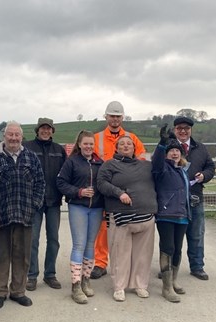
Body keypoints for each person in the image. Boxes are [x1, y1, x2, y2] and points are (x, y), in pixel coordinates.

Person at [0, 121, 45, 309]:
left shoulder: (31, 157)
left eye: (17, 135)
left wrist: (34, 206)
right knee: (1, 256)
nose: (14, 138)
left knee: (22, 256)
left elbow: (40, 184)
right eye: (10, 135)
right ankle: (0, 292)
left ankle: (18, 291)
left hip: (25, 214)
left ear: (22, 137)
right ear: (4, 136)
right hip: (1, 216)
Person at [98, 135, 157, 302]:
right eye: (122, 144)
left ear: (134, 147)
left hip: (146, 216)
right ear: (116, 148)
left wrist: (163, 145)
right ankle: (119, 286)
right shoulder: (109, 165)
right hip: (121, 216)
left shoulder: (146, 165)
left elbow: (161, 167)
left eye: (129, 143)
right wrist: (119, 193)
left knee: (143, 255)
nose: (126, 146)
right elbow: (101, 183)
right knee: (120, 254)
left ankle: (140, 285)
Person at [91, 101, 146, 279]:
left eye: (118, 116)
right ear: (106, 116)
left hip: (128, 191)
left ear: (122, 117)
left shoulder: (132, 137)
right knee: (103, 228)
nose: (115, 119)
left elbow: (142, 160)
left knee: (127, 226)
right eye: (112, 116)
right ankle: (100, 263)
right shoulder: (97, 138)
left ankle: (125, 263)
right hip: (105, 188)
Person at [56, 130, 104, 304]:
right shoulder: (72, 162)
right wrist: (79, 192)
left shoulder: (100, 163)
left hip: (97, 208)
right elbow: (60, 182)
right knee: (79, 244)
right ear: (79, 144)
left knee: (91, 245)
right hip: (78, 206)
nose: (89, 147)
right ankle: (75, 286)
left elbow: (105, 183)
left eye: (91, 144)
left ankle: (86, 280)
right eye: (85, 144)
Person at [23, 117, 67, 291]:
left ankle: (50, 275)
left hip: (54, 201)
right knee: (32, 240)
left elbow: (65, 174)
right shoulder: (27, 147)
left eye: (48, 128)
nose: (45, 131)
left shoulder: (59, 150)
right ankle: (32, 275)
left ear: (52, 131)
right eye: (42, 128)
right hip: (33, 202)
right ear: (37, 130)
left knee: (54, 240)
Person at [173, 116, 216, 280]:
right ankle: (169, 267)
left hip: (195, 197)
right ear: (174, 130)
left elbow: (210, 167)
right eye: (179, 128)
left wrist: (204, 175)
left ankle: (197, 266)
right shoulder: (168, 147)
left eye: (186, 128)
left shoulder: (200, 148)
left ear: (191, 130)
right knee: (172, 236)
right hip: (173, 200)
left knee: (196, 234)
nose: (183, 131)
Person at [152, 125, 190, 303]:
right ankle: (166, 287)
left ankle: (174, 281)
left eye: (177, 150)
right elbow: (156, 162)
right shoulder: (162, 169)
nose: (175, 153)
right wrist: (162, 144)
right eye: (171, 150)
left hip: (182, 215)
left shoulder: (181, 170)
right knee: (168, 248)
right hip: (166, 215)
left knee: (178, 249)